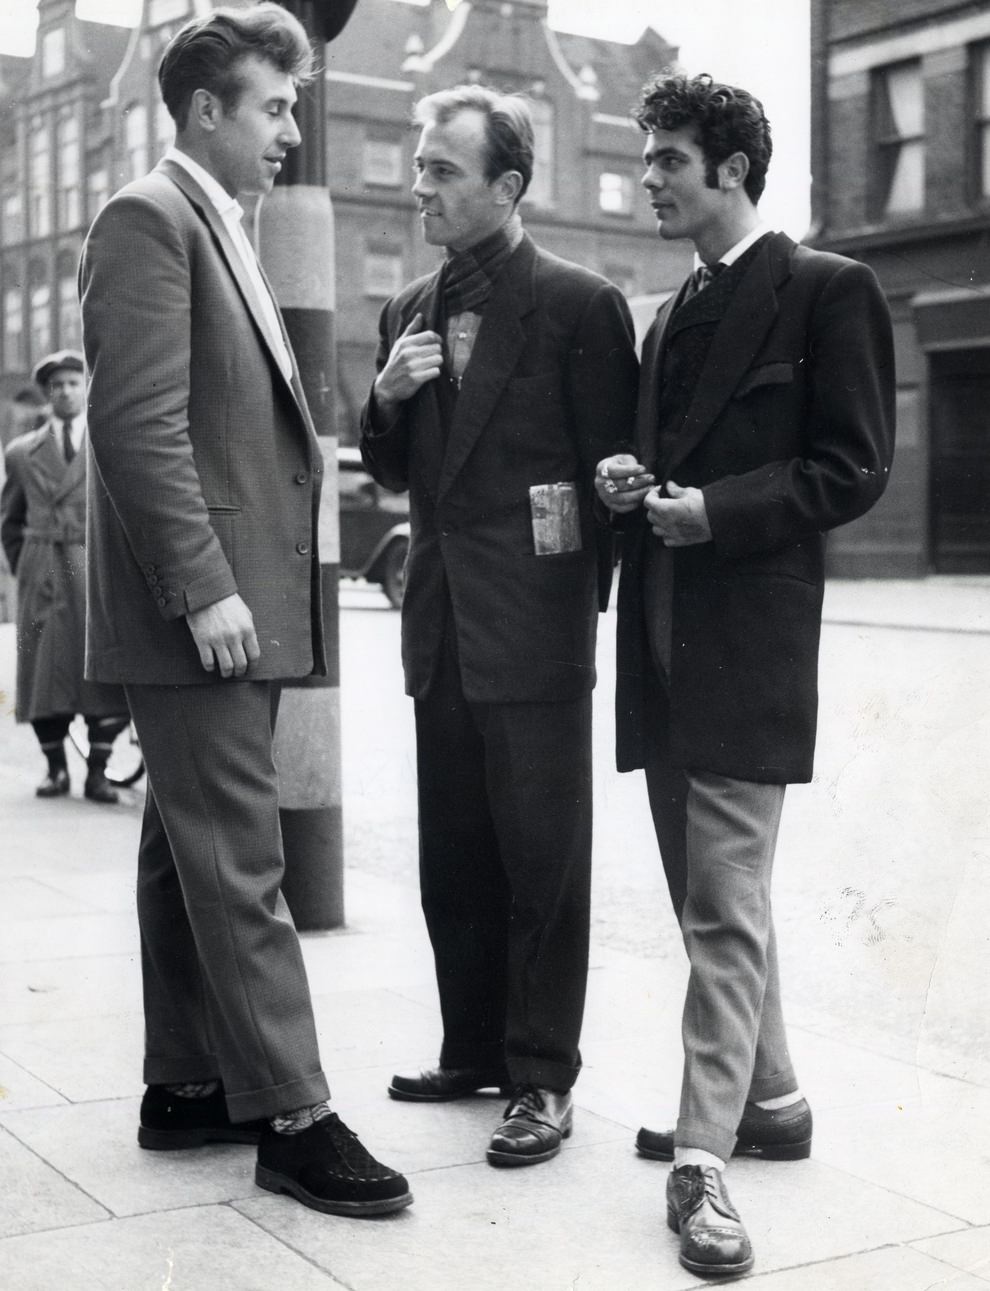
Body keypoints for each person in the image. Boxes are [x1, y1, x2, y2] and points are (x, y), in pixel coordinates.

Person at [79, 3, 410, 1218]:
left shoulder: (218, 223)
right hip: (204, 612)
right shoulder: (149, 219)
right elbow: (138, 428)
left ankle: (186, 1084)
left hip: (234, 608)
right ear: (205, 109)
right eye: (274, 106)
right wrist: (207, 587)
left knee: (185, 850)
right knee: (243, 858)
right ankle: (296, 1115)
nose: (292, 126)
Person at [596, 73, 895, 1278]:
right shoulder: (670, 314)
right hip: (662, 646)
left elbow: (853, 467)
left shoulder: (830, 289)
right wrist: (635, 482)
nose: (649, 178)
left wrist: (711, 512)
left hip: (747, 646)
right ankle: (770, 1104)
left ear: (730, 165)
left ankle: (705, 1163)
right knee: (711, 901)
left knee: (723, 907)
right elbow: (671, 463)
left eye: (667, 158)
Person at [360, 86, 638, 1167]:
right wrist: (384, 399)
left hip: (535, 630)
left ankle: (541, 1076)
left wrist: (573, 605)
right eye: (421, 168)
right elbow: (389, 469)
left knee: (543, 863)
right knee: (455, 857)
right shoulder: (406, 312)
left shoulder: (579, 305)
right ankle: (472, 1046)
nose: (419, 186)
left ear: (507, 188)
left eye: (441, 172)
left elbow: (613, 476)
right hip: (441, 630)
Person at [1, 350, 130, 804]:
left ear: (87, 388)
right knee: (43, 672)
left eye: (74, 383)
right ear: (46, 393)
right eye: (57, 385)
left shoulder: (110, 444)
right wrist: (28, 569)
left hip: (93, 569)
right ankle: (55, 769)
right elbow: (9, 521)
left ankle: (98, 772)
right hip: (43, 570)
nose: (66, 392)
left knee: (103, 673)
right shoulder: (20, 454)